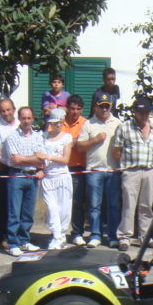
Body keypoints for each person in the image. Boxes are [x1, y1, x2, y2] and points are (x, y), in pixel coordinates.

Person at [114, 96, 153, 251]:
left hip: (149, 170)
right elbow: (116, 151)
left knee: (147, 206)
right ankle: (125, 237)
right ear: (134, 112)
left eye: (146, 112)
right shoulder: (125, 127)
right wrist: (124, 168)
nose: (144, 115)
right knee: (129, 205)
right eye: (140, 112)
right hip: (131, 171)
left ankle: (145, 236)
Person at [76, 97, 122, 248]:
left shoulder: (117, 123)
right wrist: (95, 140)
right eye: (101, 106)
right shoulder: (88, 124)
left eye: (107, 106)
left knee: (113, 205)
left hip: (113, 170)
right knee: (94, 205)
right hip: (94, 170)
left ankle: (112, 235)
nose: (104, 109)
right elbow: (80, 146)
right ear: (96, 107)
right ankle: (95, 235)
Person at [0, 106, 44, 256]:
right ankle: (13, 243)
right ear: (19, 119)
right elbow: (15, 160)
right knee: (14, 212)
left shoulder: (38, 136)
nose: (26, 121)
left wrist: (26, 159)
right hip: (17, 176)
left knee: (28, 212)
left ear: (32, 119)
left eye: (29, 118)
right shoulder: (12, 137)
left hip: (32, 177)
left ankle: (24, 240)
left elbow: (41, 158)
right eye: (23, 118)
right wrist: (33, 159)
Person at [38, 107, 73, 250]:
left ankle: (62, 235)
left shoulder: (67, 138)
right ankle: (56, 235)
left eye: (60, 122)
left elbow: (65, 160)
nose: (57, 125)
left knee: (64, 209)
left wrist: (49, 157)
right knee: (52, 208)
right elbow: (38, 155)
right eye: (55, 122)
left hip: (62, 176)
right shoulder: (43, 136)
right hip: (48, 177)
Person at [0, 98, 20, 250]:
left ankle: (17, 235)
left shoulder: (19, 124)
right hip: (2, 168)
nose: (6, 113)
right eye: (3, 110)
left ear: (14, 109)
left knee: (16, 205)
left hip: (18, 169)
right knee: (2, 203)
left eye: (8, 110)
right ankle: (3, 236)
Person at [59, 94, 87, 244]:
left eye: (78, 109)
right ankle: (59, 232)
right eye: (72, 109)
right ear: (67, 109)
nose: (75, 112)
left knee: (77, 202)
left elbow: (83, 144)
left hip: (77, 166)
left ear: (82, 110)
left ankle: (77, 232)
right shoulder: (59, 122)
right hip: (60, 167)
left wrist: (69, 142)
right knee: (61, 202)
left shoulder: (85, 123)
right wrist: (72, 142)